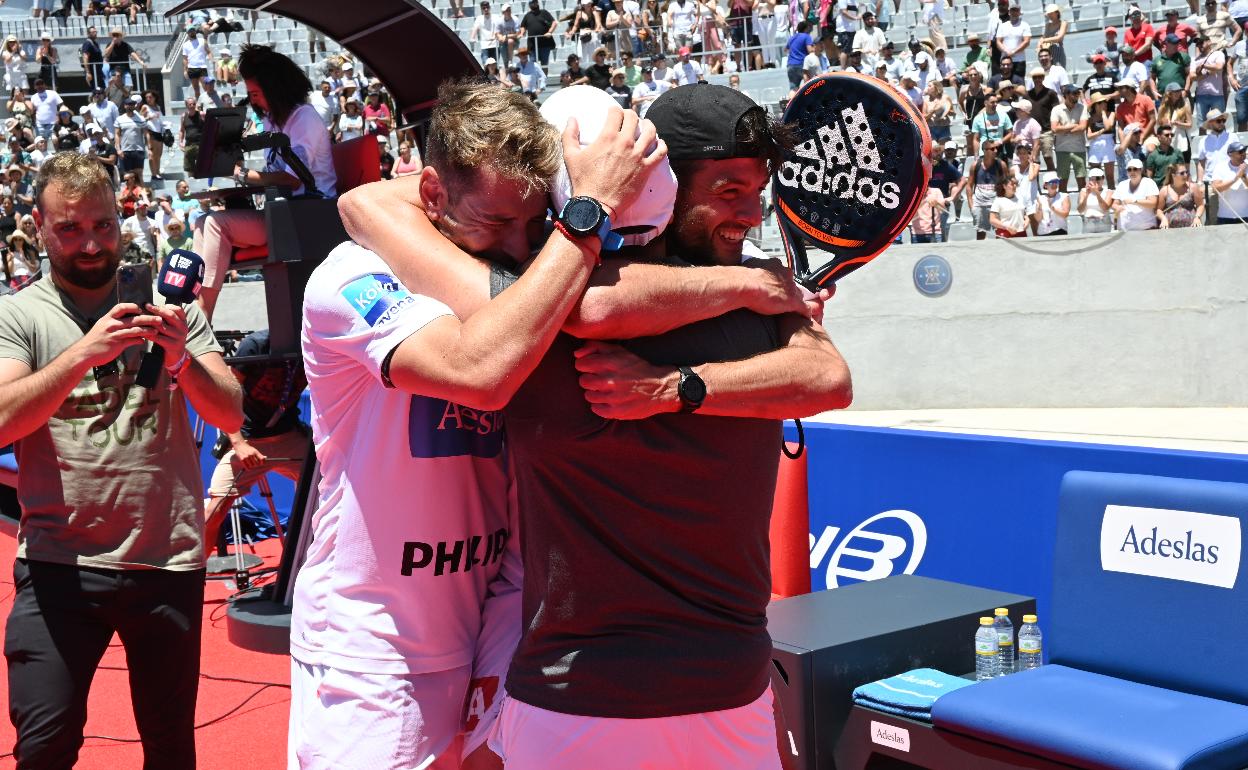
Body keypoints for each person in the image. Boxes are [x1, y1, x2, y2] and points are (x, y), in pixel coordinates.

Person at [339, 82, 848, 770]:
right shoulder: (763, 308)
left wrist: (677, 386)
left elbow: (365, 203)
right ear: (666, 181)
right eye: (729, 190)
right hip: (714, 691)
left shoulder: (532, 314)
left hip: (587, 698)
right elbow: (826, 378)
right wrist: (752, 295)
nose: (751, 214)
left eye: (756, 191)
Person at [294, 79, 666, 769]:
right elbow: (480, 374)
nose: (520, 249)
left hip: (494, 616)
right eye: (497, 225)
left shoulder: (523, 277)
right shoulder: (351, 278)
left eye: (534, 226)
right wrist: (585, 217)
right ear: (431, 194)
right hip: (373, 645)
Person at [0, 151, 242, 770]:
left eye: (102, 225)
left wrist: (182, 359)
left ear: (122, 220)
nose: (90, 243)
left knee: (169, 748)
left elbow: (231, 414)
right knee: (44, 746)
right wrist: (85, 352)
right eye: (70, 228)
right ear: (40, 225)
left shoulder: (171, 305)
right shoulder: (19, 314)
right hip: (59, 563)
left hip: (167, 559)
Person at [192, 45, 336, 322]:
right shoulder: (275, 122)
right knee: (201, 221)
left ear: (275, 90)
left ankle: (203, 313)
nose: (254, 102)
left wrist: (243, 175)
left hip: (307, 218)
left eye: (255, 94)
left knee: (214, 224)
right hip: (283, 214)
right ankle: (195, 303)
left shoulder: (303, 118)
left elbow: (291, 179)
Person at [202, 329, 308, 560]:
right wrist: (238, 443)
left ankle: (311, 563)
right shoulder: (256, 345)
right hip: (247, 439)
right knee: (214, 511)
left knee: (325, 492)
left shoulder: (315, 338)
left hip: (289, 436)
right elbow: (225, 396)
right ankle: (193, 574)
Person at [967, 139, 1009, 240]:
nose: (995, 151)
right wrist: (971, 205)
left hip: (996, 204)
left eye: (996, 148)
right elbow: (969, 185)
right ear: (985, 150)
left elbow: (1007, 184)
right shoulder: (975, 166)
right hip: (979, 204)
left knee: (1000, 233)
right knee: (980, 234)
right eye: (992, 148)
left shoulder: (1001, 165)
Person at [1051, 83, 1087, 189]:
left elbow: (1082, 127)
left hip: (1079, 149)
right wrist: (1073, 126)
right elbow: (1054, 129)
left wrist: (1063, 129)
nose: (1077, 95)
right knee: (1062, 183)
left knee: (1082, 183)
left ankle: (1082, 205)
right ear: (1066, 95)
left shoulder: (1082, 108)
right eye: (1074, 93)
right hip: (1062, 150)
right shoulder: (1056, 109)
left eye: (1078, 93)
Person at [1189, 35, 1229, 127]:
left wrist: (1204, 66)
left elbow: (1219, 67)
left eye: (1201, 42)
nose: (1199, 45)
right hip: (1201, 96)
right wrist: (1206, 74)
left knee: (1220, 124)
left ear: (1209, 42)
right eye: (1197, 44)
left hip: (1217, 95)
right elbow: (1192, 77)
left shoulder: (1218, 54)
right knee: (1202, 125)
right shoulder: (1195, 60)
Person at [1113, 157, 1160, 230]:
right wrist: (1117, 207)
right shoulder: (1122, 185)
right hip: (1124, 230)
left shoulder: (1149, 183)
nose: (1132, 172)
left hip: (1146, 229)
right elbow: (1114, 203)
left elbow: (1153, 203)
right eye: (1129, 169)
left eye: (1135, 169)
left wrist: (1134, 201)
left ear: (1141, 170)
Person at [1157, 161, 1205, 227]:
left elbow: (1200, 205)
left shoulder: (1193, 187)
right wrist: (1163, 219)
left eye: (1186, 172)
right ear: (1173, 175)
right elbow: (1159, 210)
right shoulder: (1165, 190)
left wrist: (1197, 217)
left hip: (1191, 227)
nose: (1185, 175)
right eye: (1182, 173)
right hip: (1170, 229)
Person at [1210, 140, 1248, 223]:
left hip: (1246, 215)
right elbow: (1215, 188)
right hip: (1225, 216)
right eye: (1240, 152)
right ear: (1230, 154)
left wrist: (1244, 176)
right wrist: (1236, 178)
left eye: (1244, 151)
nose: (1243, 154)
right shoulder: (1220, 167)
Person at [114, 95, 146, 183]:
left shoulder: (141, 119)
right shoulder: (119, 119)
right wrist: (118, 149)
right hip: (125, 150)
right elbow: (117, 134)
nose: (130, 106)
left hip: (138, 149)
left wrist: (149, 148)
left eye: (132, 104)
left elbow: (146, 134)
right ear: (125, 106)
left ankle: (141, 194)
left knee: (139, 175)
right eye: (128, 104)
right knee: (128, 176)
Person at [994, 3, 1032, 74]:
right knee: (1005, 83)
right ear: (1009, 12)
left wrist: (1014, 52)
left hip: (1019, 60)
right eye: (1012, 10)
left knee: (1019, 83)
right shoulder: (1002, 26)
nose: (1014, 12)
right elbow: (998, 42)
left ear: (1020, 13)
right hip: (1005, 61)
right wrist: (1006, 51)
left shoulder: (1025, 25)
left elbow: (1026, 41)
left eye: (1016, 11)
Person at [521, 0, 558, 67]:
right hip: (532, 45)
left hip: (545, 44)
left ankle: (544, 77)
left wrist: (550, 32)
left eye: (535, 2)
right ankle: (535, 77)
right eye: (532, 3)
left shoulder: (544, 12)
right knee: (533, 65)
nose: (533, 4)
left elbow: (554, 23)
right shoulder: (527, 15)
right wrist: (522, 32)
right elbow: (523, 26)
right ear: (529, 5)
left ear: (537, 3)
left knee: (544, 65)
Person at [140, 90, 166, 182]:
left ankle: (158, 172)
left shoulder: (158, 107)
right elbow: (140, 119)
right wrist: (148, 118)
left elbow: (161, 118)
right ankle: (153, 174)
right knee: (152, 154)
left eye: (150, 97)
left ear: (154, 98)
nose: (148, 99)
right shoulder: (145, 107)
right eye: (146, 97)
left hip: (159, 132)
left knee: (159, 154)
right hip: (150, 132)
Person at [181, 25, 213, 99]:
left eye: (192, 30)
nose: (191, 32)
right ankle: (199, 106)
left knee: (206, 87)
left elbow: (208, 51)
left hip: (202, 67)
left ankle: (208, 103)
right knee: (196, 89)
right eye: (190, 31)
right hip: (192, 68)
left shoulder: (202, 40)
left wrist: (212, 60)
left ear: (195, 31)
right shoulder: (185, 45)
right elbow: (185, 59)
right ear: (187, 33)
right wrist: (185, 71)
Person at [1035, 171, 1069, 235]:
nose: (1054, 184)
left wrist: (1053, 208)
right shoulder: (1040, 198)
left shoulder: (1064, 196)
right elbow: (1038, 219)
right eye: (1052, 182)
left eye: (1056, 182)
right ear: (1045, 185)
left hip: (1059, 232)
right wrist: (1039, 208)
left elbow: (1065, 214)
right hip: (1043, 233)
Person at [179, 97, 205, 177]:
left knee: (202, 166)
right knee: (189, 168)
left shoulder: (201, 114)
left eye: (194, 104)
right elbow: (182, 130)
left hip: (200, 144)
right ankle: (192, 183)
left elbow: (208, 128)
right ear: (186, 105)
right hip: (189, 145)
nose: (192, 106)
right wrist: (180, 142)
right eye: (190, 104)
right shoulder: (184, 116)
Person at [787, 20, 814, 89]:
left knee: (793, 88)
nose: (811, 28)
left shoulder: (792, 37)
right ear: (807, 28)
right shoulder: (806, 36)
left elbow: (786, 49)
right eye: (810, 27)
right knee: (808, 86)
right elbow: (810, 50)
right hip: (802, 64)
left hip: (790, 65)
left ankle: (792, 98)